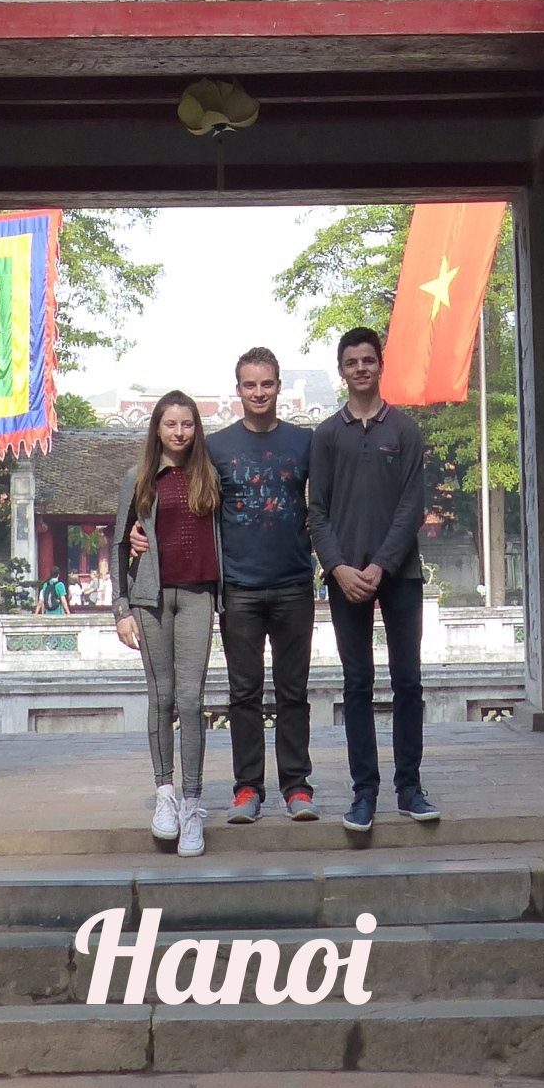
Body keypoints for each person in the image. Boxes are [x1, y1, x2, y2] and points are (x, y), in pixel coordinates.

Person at [309, 326, 440, 837]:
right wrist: (338, 567)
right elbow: (316, 510)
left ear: (380, 366)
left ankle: (410, 786)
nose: (361, 369)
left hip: (399, 574)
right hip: (344, 578)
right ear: (340, 370)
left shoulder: (404, 431)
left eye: (368, 360)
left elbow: (412, 508)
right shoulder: (327, 435)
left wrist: (381, 564)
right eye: (351, 362)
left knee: (407, 681)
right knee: (357, 683)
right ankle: (365, 791)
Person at [207, 347, 319, 825]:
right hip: (240, 588)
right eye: (250, 385)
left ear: (279, 386)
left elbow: (328, 506)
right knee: (244, 693)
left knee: (294, 692)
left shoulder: (305, 443)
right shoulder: (215, 448)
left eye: (267, 384)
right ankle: (247, 788)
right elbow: (191, 508)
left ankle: (297, 787)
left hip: (294, 583)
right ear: (238, 390)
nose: (258, 393)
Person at [114, 391, 222, 858]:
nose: (180, 432)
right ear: (156, 427)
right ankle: (165, 796)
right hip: (151, 599)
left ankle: (193, 804)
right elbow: (120, 545)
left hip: (198, 594)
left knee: (191, 698)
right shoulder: (138, 480)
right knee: (160, 697)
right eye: (171, 424)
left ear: (196, 429)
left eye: (188, 424)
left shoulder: (209, 477)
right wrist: (121, 610)